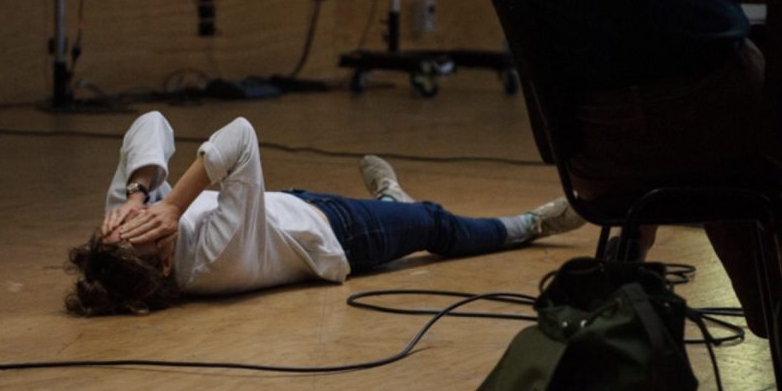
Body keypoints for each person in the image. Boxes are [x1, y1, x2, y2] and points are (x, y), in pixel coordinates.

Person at [441, 0, 780, 335]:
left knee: (690, 122)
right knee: (752, 126)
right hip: (723, 123)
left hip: (593, 150)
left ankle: (622, 321)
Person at [65, 111, 585, 316]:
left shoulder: (122, 244)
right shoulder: (211, 262)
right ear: (161, 266)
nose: (140, 219)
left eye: (119, 226)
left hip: (280, 206)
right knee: (433, 223)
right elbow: (241, 135)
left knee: (406, 216)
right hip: (340, 234)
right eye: (142, 229)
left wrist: (135, 196)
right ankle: (531, 225)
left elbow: (151, 122)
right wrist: (174, 205)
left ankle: (390, 204)